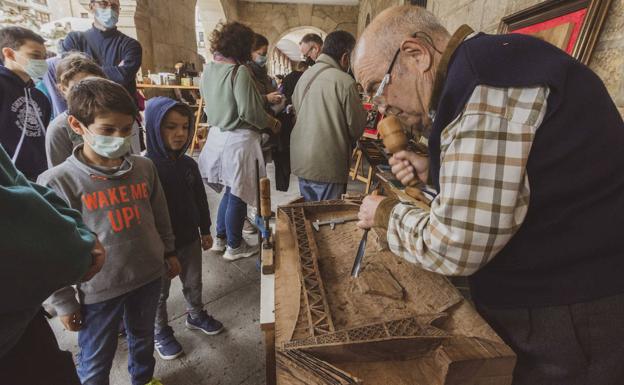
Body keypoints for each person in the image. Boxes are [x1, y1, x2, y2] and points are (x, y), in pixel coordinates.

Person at [353, 5, 624, 385]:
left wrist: (384, 213)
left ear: (416, 54)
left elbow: (456, 245)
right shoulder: (484, 69)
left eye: (377, 88)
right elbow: (522, 175)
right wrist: (434, 169)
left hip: (572, 313)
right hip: (559, 302)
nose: (380, 106)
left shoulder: (486, 87)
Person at [37, 78, 180, 385]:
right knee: (95, 358)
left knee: (143, 341)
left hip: (148, 277)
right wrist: (63, 301)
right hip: (99, 291)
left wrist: (168, 251)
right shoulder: (58, 182)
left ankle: (143, 380)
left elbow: (160, 214)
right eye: (107, 129)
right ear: (77, 125)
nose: (119, 137)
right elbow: (47, 250)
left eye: (126, 129)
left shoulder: (144, 169)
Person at [0, 142, 105, 385]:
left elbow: (21, 185)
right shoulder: (60, 176)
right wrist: (65, 302)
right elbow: (48, 249)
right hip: (14, 346)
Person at [145, 97, 224, 360]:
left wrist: (205, 228)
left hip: (189, 238)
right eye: (170, 127)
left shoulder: (189, 164)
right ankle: (159, 330)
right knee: (159, 293)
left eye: (185, 127)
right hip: (159, 247)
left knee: (193, 282)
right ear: (153, 128)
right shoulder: (144, 169)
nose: (180, 134)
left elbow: (200, 199)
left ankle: (195, 314)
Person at [197, 22, 280, 260]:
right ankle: (235, 245)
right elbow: (250, 112)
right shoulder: (239, 71)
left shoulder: (209, 69)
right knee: (239, 194)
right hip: (239, 140)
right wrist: (272, 123)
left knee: (229, 191)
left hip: (217, 136)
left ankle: (221, 238)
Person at [290, 30, 366, 201]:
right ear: (345, 57)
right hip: (328, 164)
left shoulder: (304, 77)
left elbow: (297, 112)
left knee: (308, 214)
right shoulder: (345, 82)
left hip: (301, 160)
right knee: (327, 218)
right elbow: (356, 128)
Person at [60, 0, 143, 153]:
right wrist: (114, 70)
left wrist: (86, 72)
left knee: (131, 167)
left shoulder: (130, 45)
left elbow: (124, 75)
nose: (109, 9)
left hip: (122, 121)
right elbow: (70, 74)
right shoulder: (75, 39)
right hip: (85, 120)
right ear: (92, 7)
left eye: (114, 5)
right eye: (104, 4)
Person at [0, 26, 51, 180]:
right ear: (9, 53)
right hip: (8, 181)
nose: (42, 62)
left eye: (44, 57)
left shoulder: (39, 97)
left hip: (39, 178)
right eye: (35, 56)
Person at [46, 52, 107, 167]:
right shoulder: (59, 128)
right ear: (63, 89)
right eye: (79, 86)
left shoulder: (112, 117)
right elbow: (59, 176)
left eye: (96, 84)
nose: (89, 92)